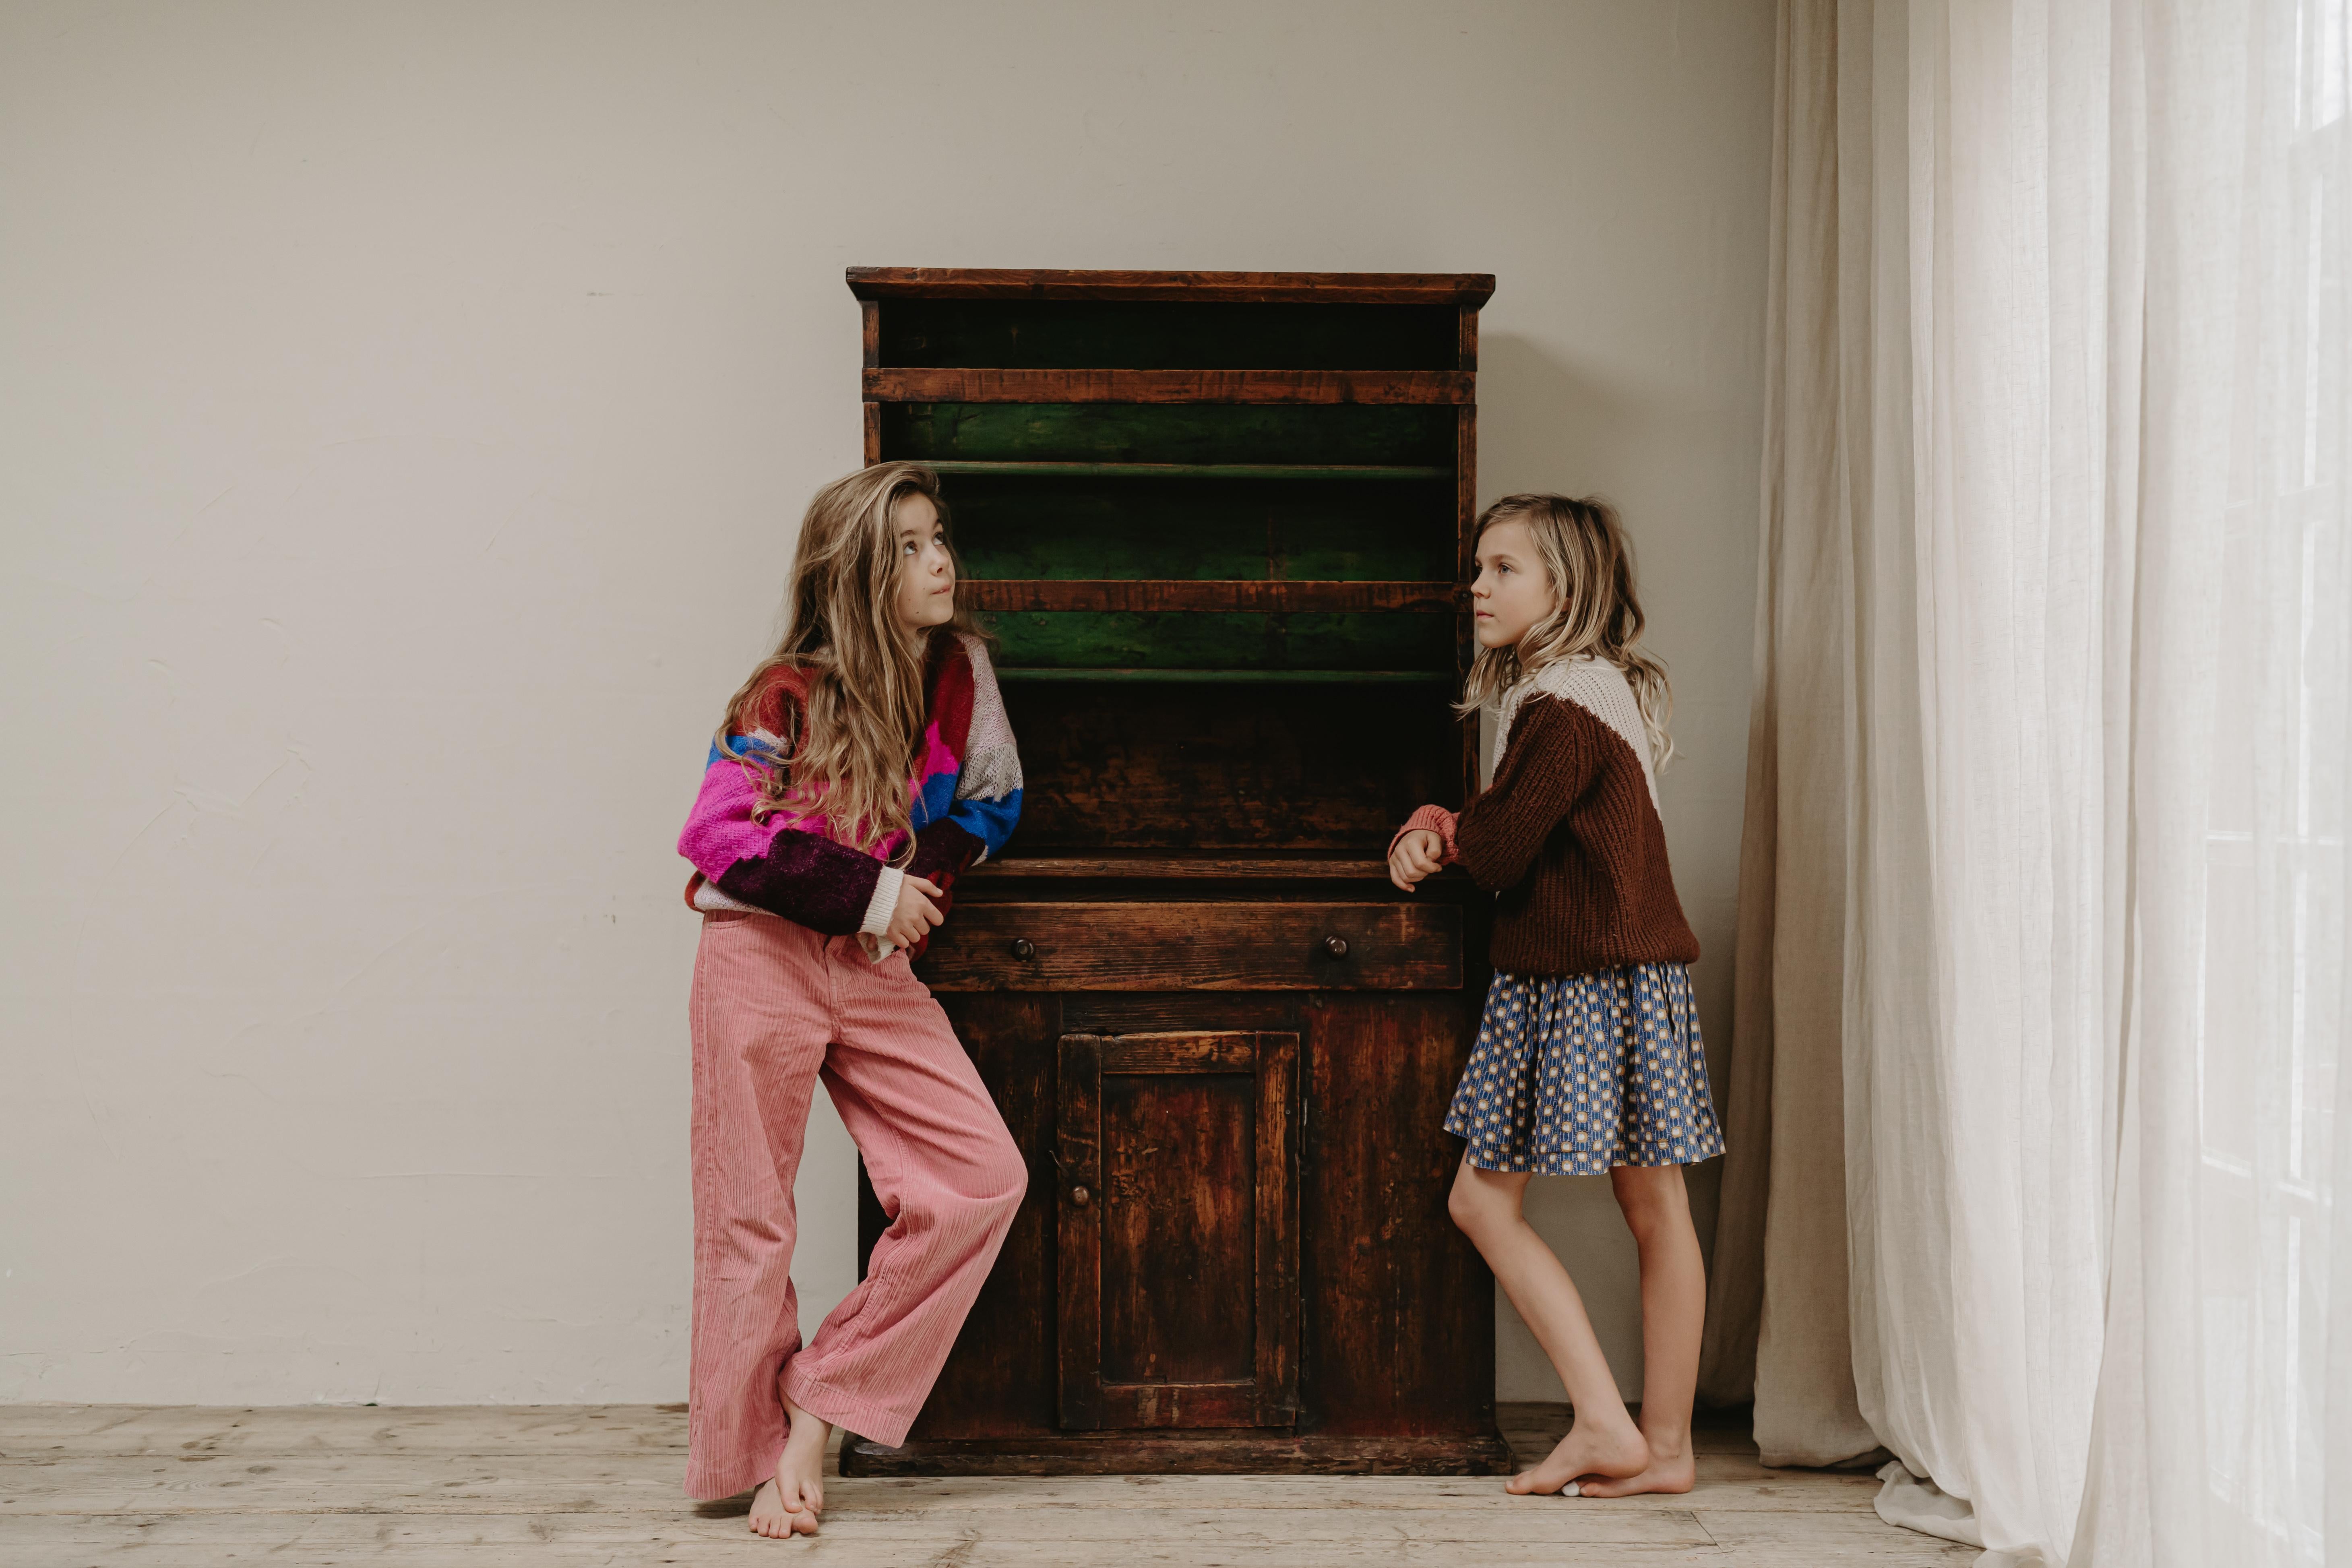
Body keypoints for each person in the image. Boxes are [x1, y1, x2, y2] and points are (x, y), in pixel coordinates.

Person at [675, 461, 1025, 1536]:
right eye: (913, 546)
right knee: (749, 1219)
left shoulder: (960, 673)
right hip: (761, 955)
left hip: (872, 969)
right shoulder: (786, 692)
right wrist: (869, 889)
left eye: (938, 538)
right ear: (862, 573)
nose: (941, 561)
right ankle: (752, 1453)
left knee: (980, 1180)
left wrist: (912, 884)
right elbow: (717, 838)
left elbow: (996, 798)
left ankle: (818, 1403)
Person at [1388, 493, 1722, 1499]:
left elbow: (1492, 854)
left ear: (1560, 587)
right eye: (1478, 568)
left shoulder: (1558, 705)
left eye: (1502, 570)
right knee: (1657, 1205)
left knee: (1479, 1200)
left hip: (1576, 984)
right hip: (1637, 978)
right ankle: (1663, 1446)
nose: (1476, 587)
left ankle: (1600, 1420)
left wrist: (1435, 820)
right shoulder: (1596, 688)